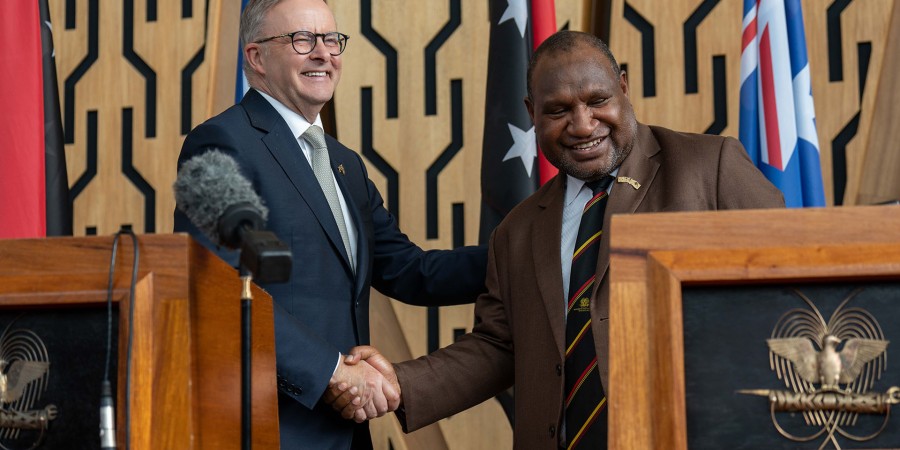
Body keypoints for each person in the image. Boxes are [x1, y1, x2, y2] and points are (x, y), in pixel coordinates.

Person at [328, 30, 785, 448]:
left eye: (598, 100)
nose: (583, 125)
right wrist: (399, 384)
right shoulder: (519, 229)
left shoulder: (710, 167)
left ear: (623, 87)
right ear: (531, 112)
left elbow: (792, 288)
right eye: (559, 110)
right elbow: (499, 347)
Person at [173, 0, 487, 448]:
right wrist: (333, 372)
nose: (323, 53)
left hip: (347, 433)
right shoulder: (220, 142)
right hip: (270, 428)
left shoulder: (344, 164)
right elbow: (221, 288)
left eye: (331, 39)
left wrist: (522, 254)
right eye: (302, 39)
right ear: (256, 57)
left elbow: (411, 271)